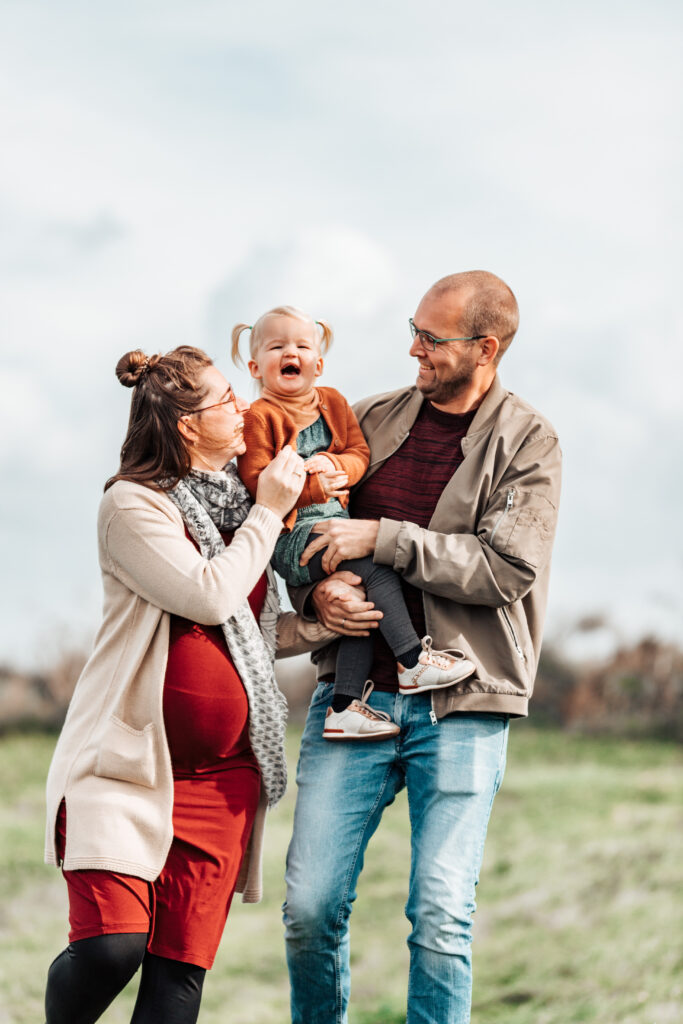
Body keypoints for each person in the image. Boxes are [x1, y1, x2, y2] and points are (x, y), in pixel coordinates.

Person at [283, 271, 562, 1024]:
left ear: (485, 347)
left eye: (431, 340)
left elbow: (506, 568)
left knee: (440, 918)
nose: (413, 349)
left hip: (462, 706)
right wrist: (316, 594)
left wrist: (385, 540)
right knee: (309, 908)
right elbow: (303, 527)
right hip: (353, 702)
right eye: (413, 330)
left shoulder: (529, 441)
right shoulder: (365, 418)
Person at [43, 345, 332, 1024]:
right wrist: (270, 511)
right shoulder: (133, 505)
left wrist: (322, 624)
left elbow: (252, 636)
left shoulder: (236, 506)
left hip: (222, 780)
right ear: (183, 426)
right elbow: (209, 595)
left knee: (176, 981)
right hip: (127, 767)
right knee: (112, 947)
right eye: (225, 400)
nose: (242, 408)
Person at [233, 306, 475, 742]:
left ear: (318, 363)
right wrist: (314, 488)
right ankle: (410, 660)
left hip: (333, 525)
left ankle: (343, 708)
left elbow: (359, 454)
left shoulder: (336, 403)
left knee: (357, 605)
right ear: (256, 366)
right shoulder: (259, 417)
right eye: (277, 346)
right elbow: (256, 482)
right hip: (293, 534)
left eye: (302, 346)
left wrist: (339, 468)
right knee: (377, 565)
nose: (292, 353)